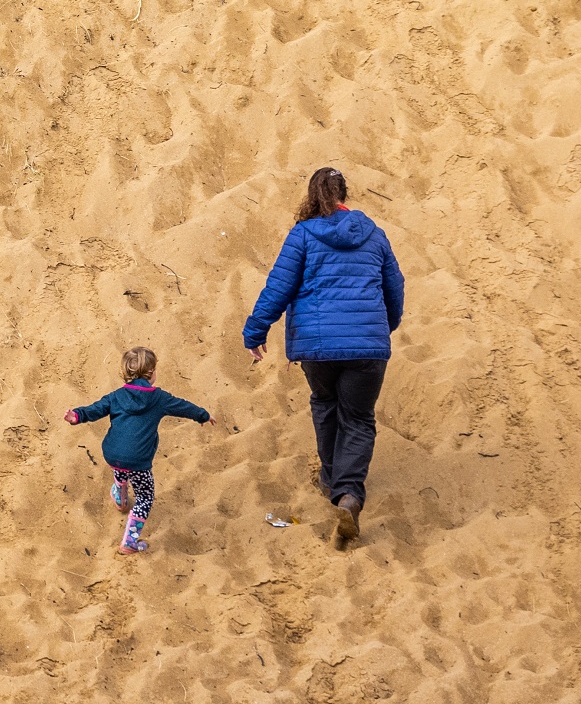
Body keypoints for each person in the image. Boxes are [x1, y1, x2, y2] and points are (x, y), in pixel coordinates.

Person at [242, 166, 404, 550]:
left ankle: (333, 481)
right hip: (368, 345)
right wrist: (384, 326)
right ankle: (348, 495)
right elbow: (395, 287)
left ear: (312, 196)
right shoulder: (375, 235)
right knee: (359, 418)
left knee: (326, 403)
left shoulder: (303, 234)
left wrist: (255, 331)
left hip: (318, 345)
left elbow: (279, 286)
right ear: (345, 194)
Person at [64, 346, 213, 553]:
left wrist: (77, 416)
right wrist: (203, 415)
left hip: (112, 453)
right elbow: (183, 407)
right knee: (145, 497)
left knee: (121, 465)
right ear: (151, 373)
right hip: (138, 460)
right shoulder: (159, 398)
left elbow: (96, 409)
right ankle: (130, 541)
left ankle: (120, 497)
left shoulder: (116, 396)